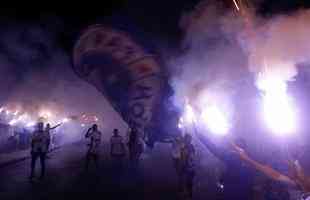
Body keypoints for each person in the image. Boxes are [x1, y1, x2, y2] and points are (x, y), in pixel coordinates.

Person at [232, 143, 310, 200]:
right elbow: (274, 174)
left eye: (297, 167)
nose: (293, 170)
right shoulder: (300, 185)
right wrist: (247, 158)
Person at [196, 131, 256, 200]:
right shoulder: (248, 160)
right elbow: (214, 149)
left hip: (232, 193)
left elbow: (214, 149)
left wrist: (201, 136)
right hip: (238, 194)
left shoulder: (233, 157)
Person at [180, 133, 196, 199]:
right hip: (190, 168)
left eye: (187, 139)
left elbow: (185, 158)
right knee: (188, 183)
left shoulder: (187, 148)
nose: (186, 141)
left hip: (189, 168)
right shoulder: (190, 147)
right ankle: (188, 195)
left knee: (188, 183)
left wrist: (183, 167)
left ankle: (188, 195)